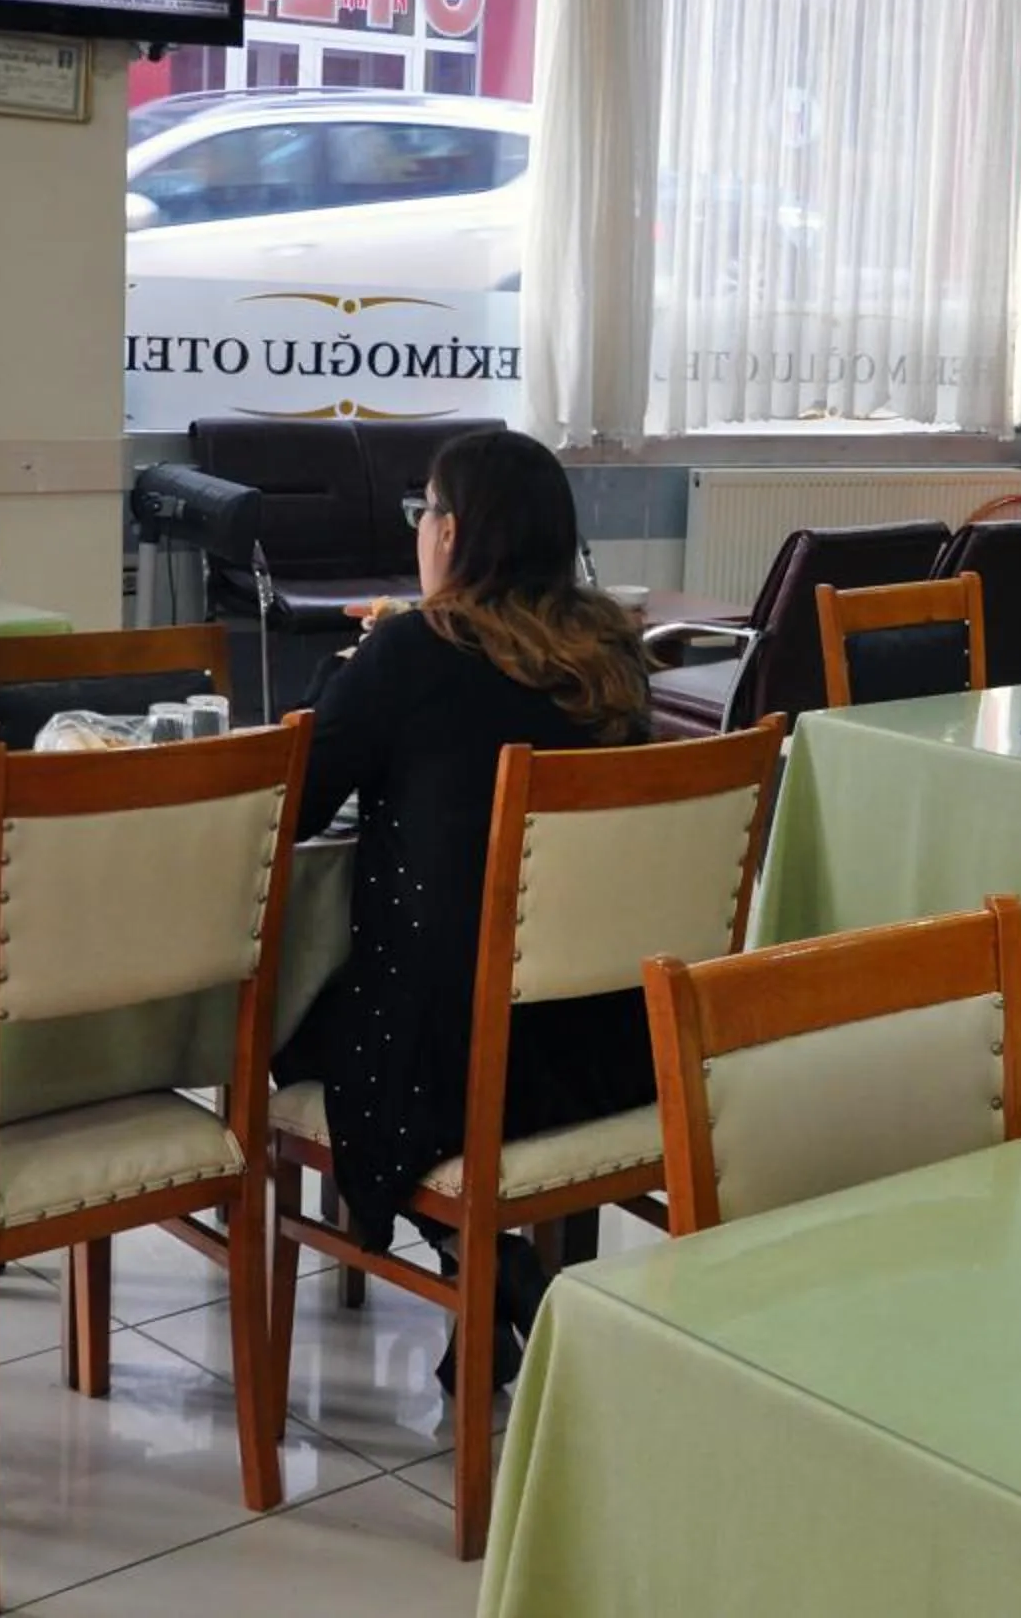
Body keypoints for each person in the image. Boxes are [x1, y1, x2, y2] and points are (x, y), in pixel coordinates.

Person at [271, 428, 655, 1384]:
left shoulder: (413, 650)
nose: (419, 531)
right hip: (609, 1043)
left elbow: (295, 801)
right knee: (406, 999)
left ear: (453, 533)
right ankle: (482, 1281)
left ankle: (489, 1264)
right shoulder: (614, 653)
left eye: (424, 512)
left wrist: (342, 674)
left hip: (460, 1068)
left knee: (300, 1039)